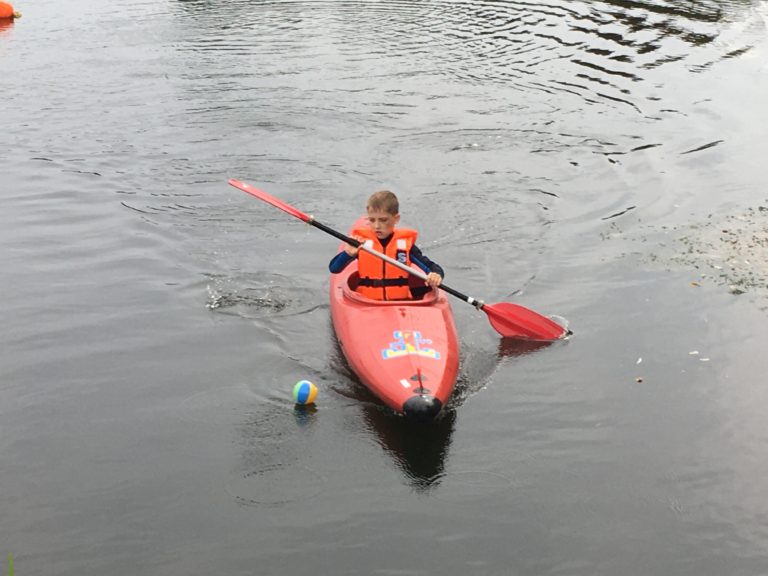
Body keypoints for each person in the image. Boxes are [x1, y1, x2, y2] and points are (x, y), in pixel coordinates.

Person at [329, 190, 444, 300]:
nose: (377, 226)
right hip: (367, 303)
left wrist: (436, 275)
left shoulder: (405, 246)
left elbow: (432, 267)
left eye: (383, 220)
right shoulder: (361, 243)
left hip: (400, 303)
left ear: (396, 219)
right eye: (372, 220)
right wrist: (347, 253)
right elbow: (334, 268)